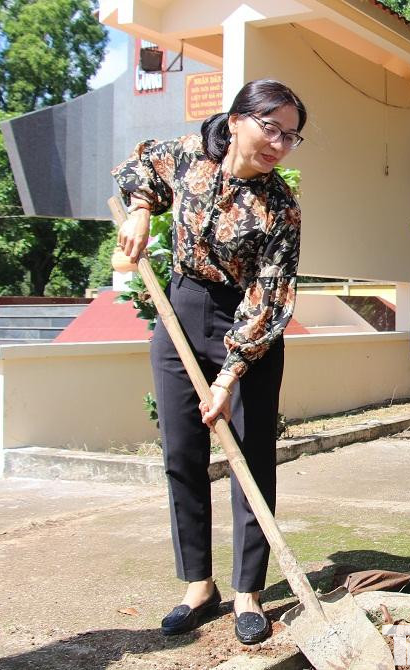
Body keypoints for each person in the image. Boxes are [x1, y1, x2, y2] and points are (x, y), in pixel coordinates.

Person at [113, 79, 306, 644]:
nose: (279, 143)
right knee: (182, 454)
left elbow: (271, 298)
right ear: (239, 119)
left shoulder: (281, 207)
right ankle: (198, 585)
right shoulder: (190, 154)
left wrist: (228, 375)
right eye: (271, 128)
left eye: (291, 136)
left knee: (249, 458)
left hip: (248, 324)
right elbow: (139, 164)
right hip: (180, 310)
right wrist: (142, 212)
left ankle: (248, 590)